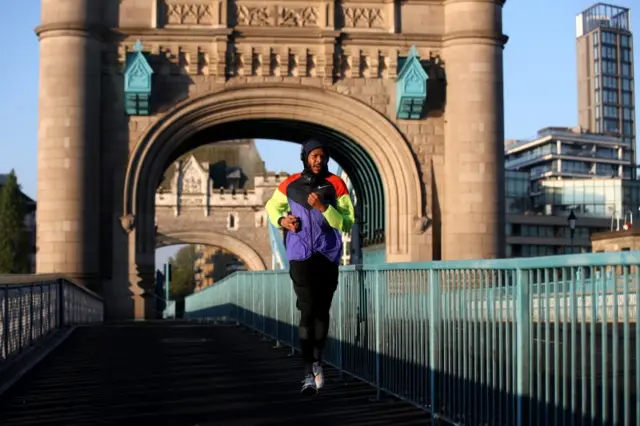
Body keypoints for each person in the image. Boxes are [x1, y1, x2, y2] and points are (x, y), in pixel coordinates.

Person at [265, 139, 355, 394]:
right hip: (299, 254)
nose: (318, 160)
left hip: (326, 254)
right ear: (305, 157)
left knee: (322, 310)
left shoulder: (336, 185)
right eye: (313, 155)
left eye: (322, 156)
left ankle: (317, 360)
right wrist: (283, 219)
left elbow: (346, 223)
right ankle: (306, 372)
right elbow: (272, 207)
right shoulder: (290, 184)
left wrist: (323, 207)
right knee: (306, 309)